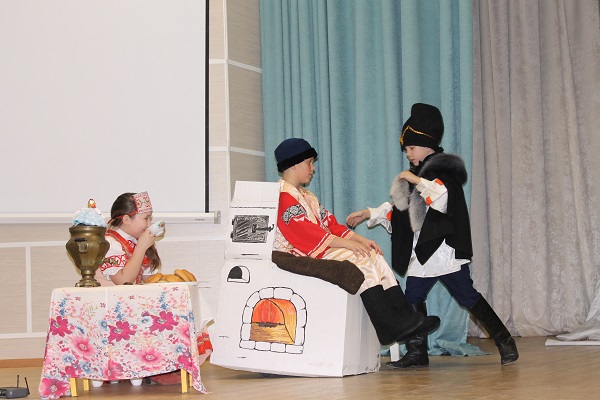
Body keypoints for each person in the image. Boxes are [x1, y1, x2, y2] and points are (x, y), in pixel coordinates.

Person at [346, 103, 519, 367]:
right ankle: (417, 352)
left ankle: (506, 342)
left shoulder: (442, 172)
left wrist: (416, 181)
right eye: (406, 149)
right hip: (423, 252)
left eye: (411, 148)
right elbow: (400, 211)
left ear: (428, 145)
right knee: (412, 298)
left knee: (467, 296)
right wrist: (368, 213)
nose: (408, 154)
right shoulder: (417, 174)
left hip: (443, 250)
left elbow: (442, 199)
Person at [273, 137, 440, 347]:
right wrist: (348, 244)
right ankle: (387, 325)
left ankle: (403, 318)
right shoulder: (283, 196)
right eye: (309, 163)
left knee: (371, 254)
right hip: (298, 252)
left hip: (317, 246)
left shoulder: (307, 196)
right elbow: (305, 234)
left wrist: (362, 240)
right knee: (357, 257)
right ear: (294, 164)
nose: (313, 168)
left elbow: (331, 225)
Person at [95, 191, 160, 286]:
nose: (149, 224)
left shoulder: (135, 242)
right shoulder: (109, 244)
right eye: (146, 218)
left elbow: (150, 280)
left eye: (150, 218)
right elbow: (124, 282)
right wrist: (141, 248)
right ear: (126, 220)